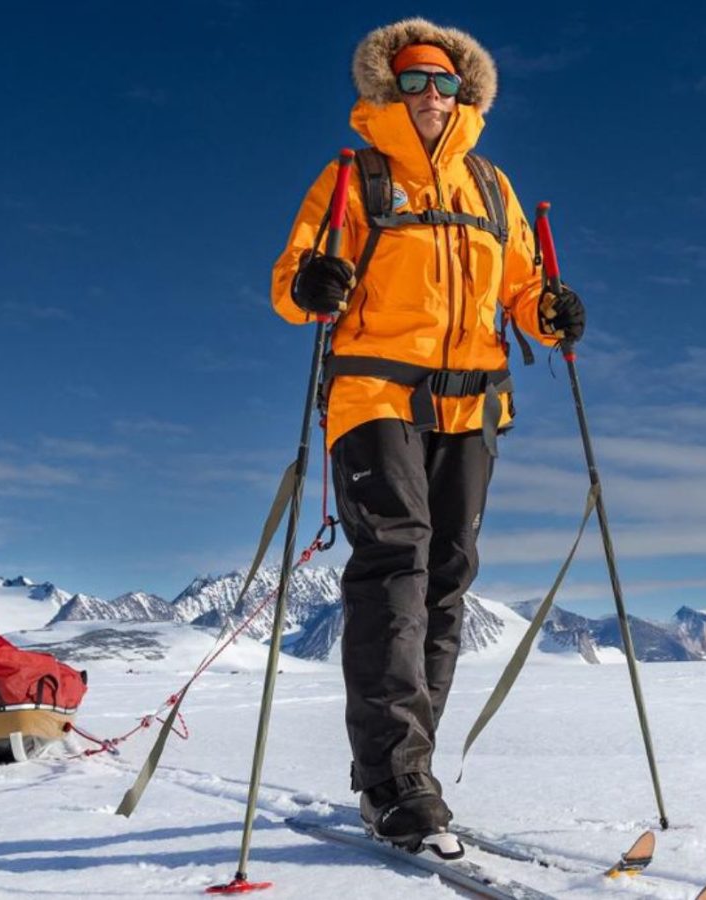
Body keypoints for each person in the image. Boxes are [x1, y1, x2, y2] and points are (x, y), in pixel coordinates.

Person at [271, 18, 585, 853]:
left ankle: (410, 768)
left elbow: (523, 292)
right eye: (414, 82)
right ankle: (394, 780)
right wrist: (313, 282)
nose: (431, 98)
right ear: (387, 90)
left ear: (466, 94)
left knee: (447, 573)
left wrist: (549, 316)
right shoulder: (354, 178)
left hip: (473, 405)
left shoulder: (491, 186)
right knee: (396, 562)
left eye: (445, 84)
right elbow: (294, 283)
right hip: (374, 394)